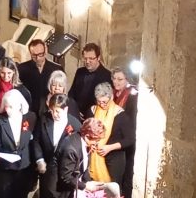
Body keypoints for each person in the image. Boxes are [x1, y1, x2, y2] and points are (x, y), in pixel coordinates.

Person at [87, 82, 135, 194]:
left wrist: (109, 147)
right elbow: (85, 131)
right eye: (99, 101)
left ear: (111, 97)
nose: (101, 104)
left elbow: (130, 139)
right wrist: (89, 142)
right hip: (93, 155)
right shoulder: (92, 111)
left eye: (104, 101)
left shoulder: (120, 114)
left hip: (114, 159)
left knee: (111, 190)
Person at [32, 93, 82, 198]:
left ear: (66, 109)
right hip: (47, 171)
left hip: (66, 174)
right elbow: (36, 141)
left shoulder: (75, 125)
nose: (54, 114)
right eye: (52, 110)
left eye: (57, 111)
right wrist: (39, 159)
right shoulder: (44, 119)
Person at [0, 89, 36, 198]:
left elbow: (32, 139)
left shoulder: (30, 118)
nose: (8, 109)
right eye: (6, 106)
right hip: (4, 168)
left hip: (23, 167)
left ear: (20, 106)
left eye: (11, 106)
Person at [56, 118, 106, 198]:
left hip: (76, 185)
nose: (97, 143)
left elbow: (84, 169)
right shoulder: (71, 148)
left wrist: (89, 183)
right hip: (63, 190)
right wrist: (85, 186)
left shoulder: (85, 142)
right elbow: (66, 177)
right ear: (87, 136)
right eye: (97, 140)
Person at [111, 68, 138, 198]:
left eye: (120, 79)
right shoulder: (112, 94)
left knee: (127, 172)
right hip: (114, 138)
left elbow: (132, 119)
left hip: (126, 138)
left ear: (127, 80)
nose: (116, 82)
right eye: (114, 78)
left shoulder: (132, 96)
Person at [18, 39, 62, 114]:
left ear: (46, 51)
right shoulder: (21, 69)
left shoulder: (57, 69)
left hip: (50, 110)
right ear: (30, 53)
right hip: (29, 110)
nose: (38, 58)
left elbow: (62, 92)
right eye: (34, 55)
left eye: (40, 54)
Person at [68, 43, 112, 118]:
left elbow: (105, 101)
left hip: (94, 116)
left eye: (91, 58)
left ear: (98, 58)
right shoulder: (80, 71)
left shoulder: (107, 75)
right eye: (85, 58)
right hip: (75, 115)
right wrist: (74, 110)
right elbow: (72, 93)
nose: (87, 61)